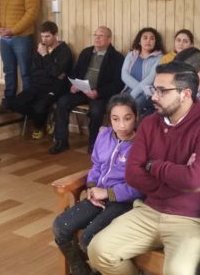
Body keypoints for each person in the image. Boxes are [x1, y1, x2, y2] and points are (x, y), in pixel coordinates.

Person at [87, 61, 200, 274]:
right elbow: (132, 174)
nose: (153, 96)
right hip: (148, 210)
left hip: (191, 219)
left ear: (185, 94)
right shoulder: (149, 123)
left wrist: (152, 165)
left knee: (178, 271)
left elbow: (194, 180)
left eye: (162, 91)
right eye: (154, 89)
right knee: (98, 250)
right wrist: (180, 178)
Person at [53, 94, 144, 275]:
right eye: (115, 119)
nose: (122, 125)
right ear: (109, 119)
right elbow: (96, 165)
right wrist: (91, 187)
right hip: (98, 196)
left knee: (88, 240)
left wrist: (107, 193)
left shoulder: (142, 145)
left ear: (136, 117)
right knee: (60, 227)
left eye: (127, 118)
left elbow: (139, 187)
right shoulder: (104, 135)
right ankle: (81, 270)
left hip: (123, 202)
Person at [50, 26, 124, 155]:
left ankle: (93, 143)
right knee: (62, 102)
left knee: (96, 111)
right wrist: (73, 85)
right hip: (82, 91)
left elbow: (117, 83)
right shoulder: (86, 52)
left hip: (99, 94)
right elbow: (74, 73)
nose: (97, 38)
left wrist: (98, 92)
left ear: (109, 39)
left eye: (101, 36)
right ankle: (61, 141)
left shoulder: (117, 57)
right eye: (95, 35)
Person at [7, 21, 73, 139]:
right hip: (38, 85)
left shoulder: (64, 51)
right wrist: (52, 72)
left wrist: (45, 56)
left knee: (39, 107)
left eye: (47, 36)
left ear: (55, 34)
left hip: (55, 87)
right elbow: (34, 71)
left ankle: (39, 126)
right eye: (42, 36)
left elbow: (56, 72)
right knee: (13, 103)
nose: (44, 40)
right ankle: (45, 116)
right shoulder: (40, 49)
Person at [120, 27, 164, 116]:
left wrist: (132, 95)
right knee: (115, 103)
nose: (148, 41)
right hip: (129, 90)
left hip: (148, 93)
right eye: (145, 38)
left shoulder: (160, 58)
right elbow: (124, 75)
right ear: (139, 41)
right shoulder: (131, 55)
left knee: (134, 105)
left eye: (152, 39)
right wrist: (134, 92)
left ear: (155, 42)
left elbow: (151, 78)